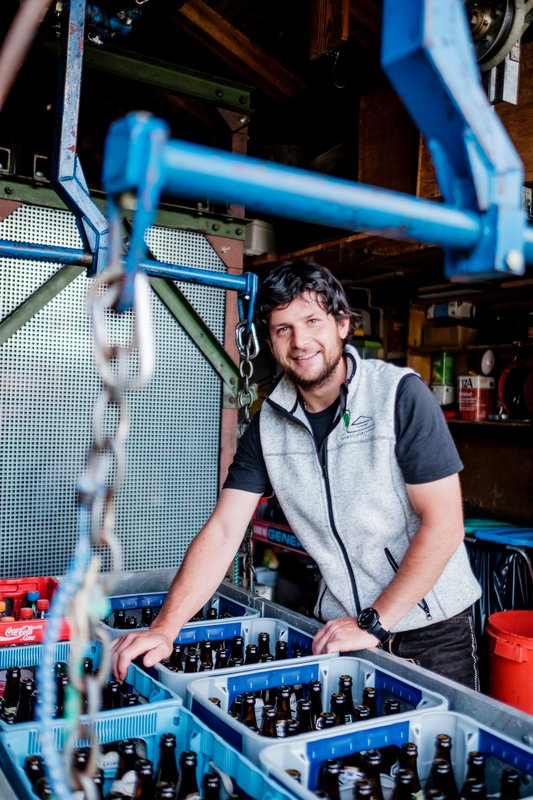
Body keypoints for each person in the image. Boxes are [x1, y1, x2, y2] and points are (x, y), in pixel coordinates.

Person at [111, 259, 481, 689]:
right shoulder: (269, 423)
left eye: (312, 321)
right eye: (283, 328)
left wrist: (375, 621)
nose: (300, 341)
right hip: (342, 627)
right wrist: (165, 628)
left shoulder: (398, 396)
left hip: (433, 628)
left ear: (342, 324)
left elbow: (444, 526)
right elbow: (225, 529)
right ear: (269, 342)